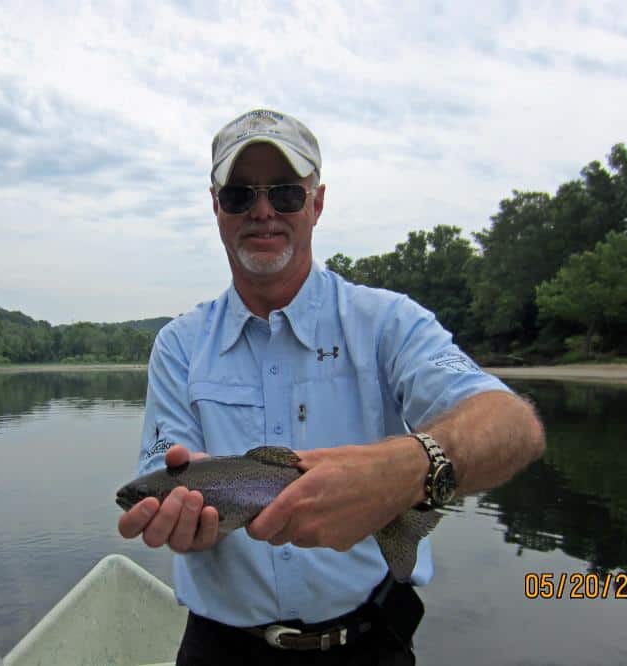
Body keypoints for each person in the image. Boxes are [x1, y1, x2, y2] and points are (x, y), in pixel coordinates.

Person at [118, 109, 545, 665]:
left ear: (316, 204)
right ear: (216, 207)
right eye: (240, 195)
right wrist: (179, 522)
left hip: (369, 642)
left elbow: (514, 424)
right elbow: (165, 463)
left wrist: (401, 471)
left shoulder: (388, 322)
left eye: (286, 194)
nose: (263, 211)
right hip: (220, 648)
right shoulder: (178, 345)